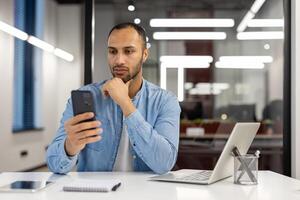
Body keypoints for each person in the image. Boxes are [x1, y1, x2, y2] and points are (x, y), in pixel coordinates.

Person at [46, 22, 181, 175]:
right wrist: (70, 146)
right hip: (96, 194)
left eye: (128, 51)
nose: (118, 60)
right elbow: (54, 164)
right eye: (112, 51)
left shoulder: (165, 101)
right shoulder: (86, 97)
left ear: (144, 54)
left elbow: (164, 163)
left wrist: (125, 103)